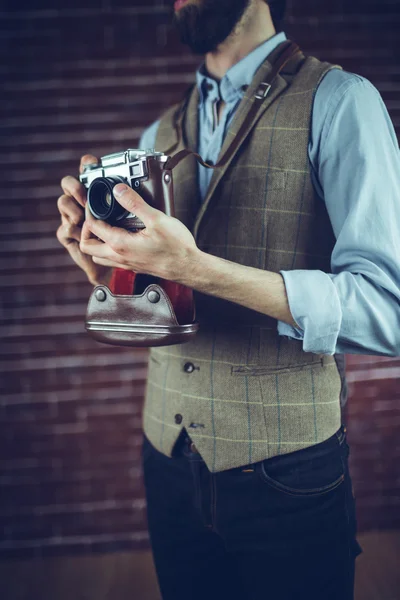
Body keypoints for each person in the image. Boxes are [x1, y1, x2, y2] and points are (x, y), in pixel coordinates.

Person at [56, 1, 400, 598]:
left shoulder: (342, 101)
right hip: (166, 454)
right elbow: (156, 302)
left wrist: (198, 268)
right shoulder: (156, 136)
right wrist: (99, 263)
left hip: (287, 468)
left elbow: (387, 312)